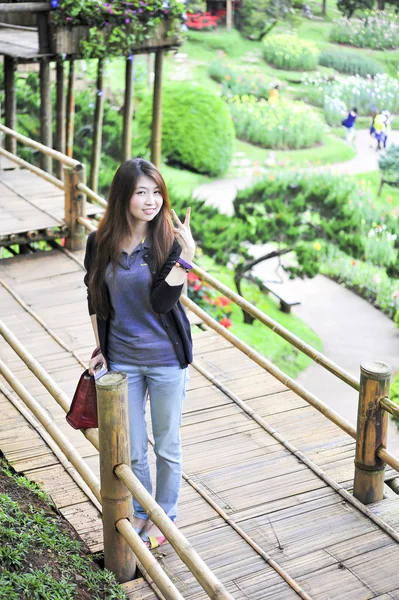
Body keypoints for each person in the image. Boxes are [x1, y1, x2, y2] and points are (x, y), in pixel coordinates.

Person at [84, 158, 195, 549]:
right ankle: (144, 511)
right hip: (123, 360)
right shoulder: (100, 242)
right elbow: (95, 298)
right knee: (132, 448)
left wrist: (184, 257)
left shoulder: (168, 241)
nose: (152, 201)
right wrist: (100, 348)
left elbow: (165, 302)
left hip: (166, 361)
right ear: (123, 196)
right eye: (141, 192)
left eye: (157, 192)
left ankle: (164, 515)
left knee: (167, 444)